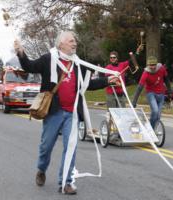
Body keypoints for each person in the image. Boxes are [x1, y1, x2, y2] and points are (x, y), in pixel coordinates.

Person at [14, 31, 120, 195]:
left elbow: (87, 85)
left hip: (72, 113)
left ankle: (66, 182)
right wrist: (21, 52)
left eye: (75, 41)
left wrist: (107, 80)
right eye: (71, 41)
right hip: (53, 112)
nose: (74, 43)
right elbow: (30, 66)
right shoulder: (48, 59)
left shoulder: (78, 64)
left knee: (71, 147)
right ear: (61, 44)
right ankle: (41, 169)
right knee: (46, 146)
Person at [132, 56, 171, 129]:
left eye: (154, 65)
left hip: (161, 94)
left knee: (158, 115)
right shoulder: (146, 73)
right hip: (151, 93)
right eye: (150, 65)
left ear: (156, 64)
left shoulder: (161, 68)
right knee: (155, 111)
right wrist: (134, 102)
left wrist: (170, 91)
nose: (152, 67)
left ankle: (154, 129)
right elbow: (139, 88)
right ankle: (151, 129)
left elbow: (167, 80)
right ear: (148, 65)